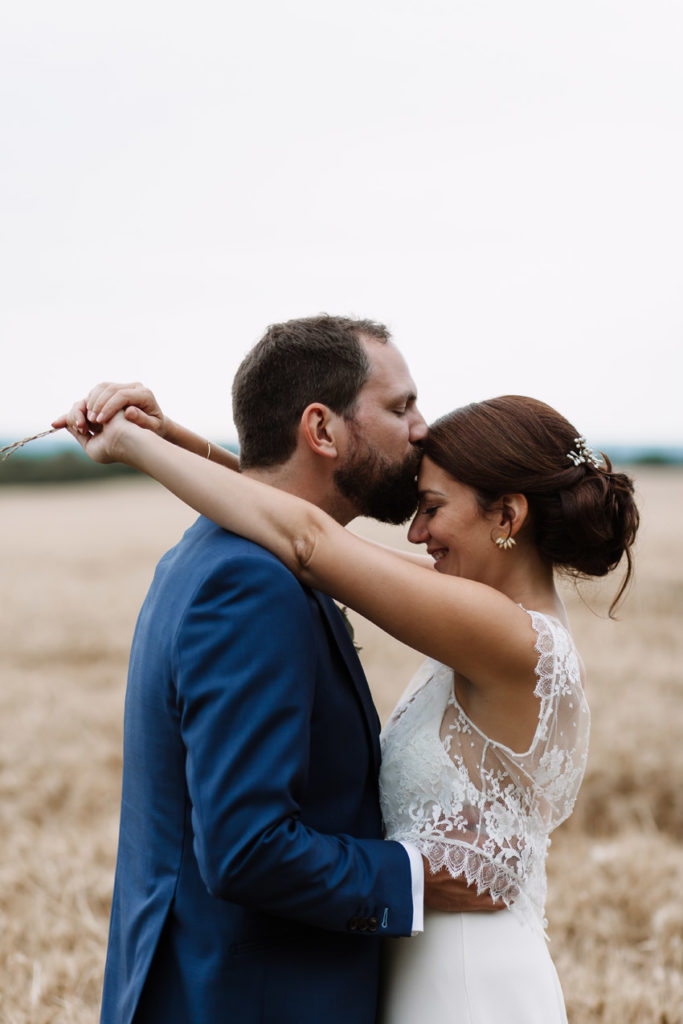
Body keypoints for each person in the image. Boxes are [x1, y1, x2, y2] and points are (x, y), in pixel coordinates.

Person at [62, 374, 639, 1023]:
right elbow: (287, 515)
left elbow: (309, 542)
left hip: (466, 980)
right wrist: (171, 436)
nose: (416, 533)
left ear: (506, 516)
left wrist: (133, 448)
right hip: (426, 959)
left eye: (431, 506)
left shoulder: (504, 636)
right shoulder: (486, 613)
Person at [56, 316, 495, 1024]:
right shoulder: (251, 585)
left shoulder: (228, 553)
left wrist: (165, 439)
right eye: (399, 406)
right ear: (320, 431)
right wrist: (418, 876)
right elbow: (246, 848)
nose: (422, 429)